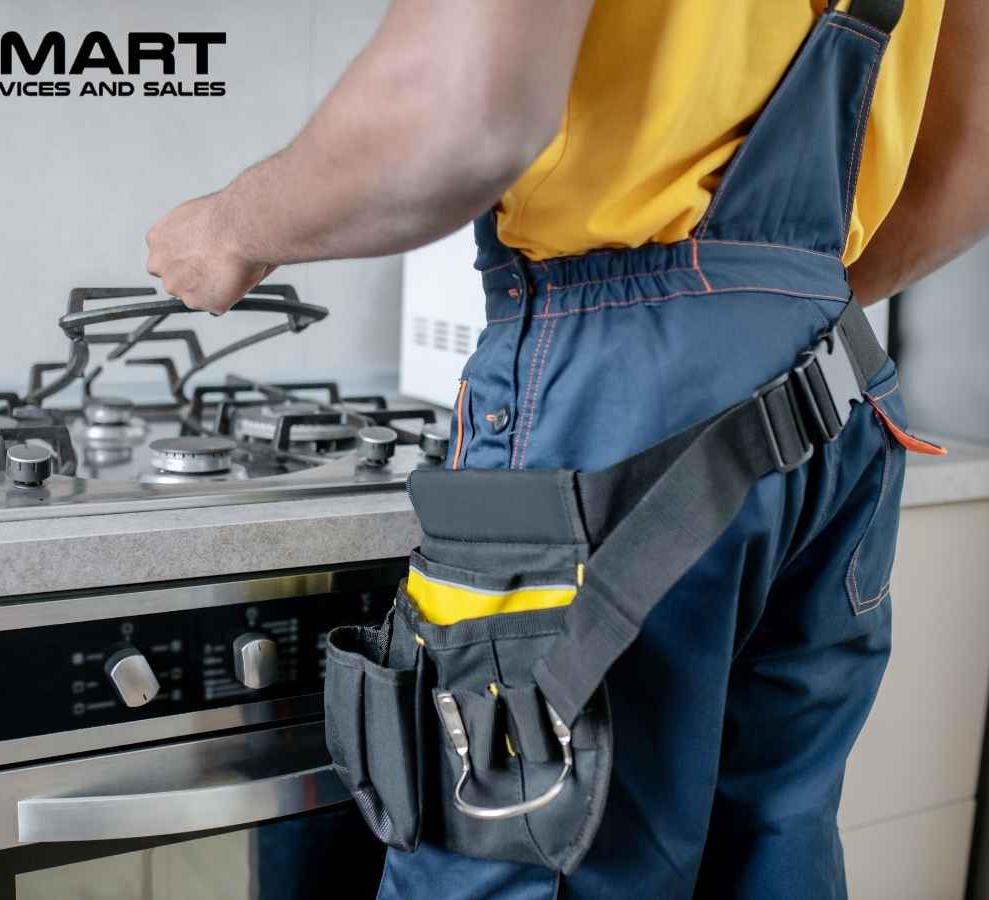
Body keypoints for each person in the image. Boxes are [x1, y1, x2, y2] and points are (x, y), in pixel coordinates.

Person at [146, 1, 984, 897]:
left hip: (614, 394)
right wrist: (762, 320)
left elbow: (462, 112)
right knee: (770, 846)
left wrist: (227, 228)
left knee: (521, 855)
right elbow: (970, 164)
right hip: (831, 391)